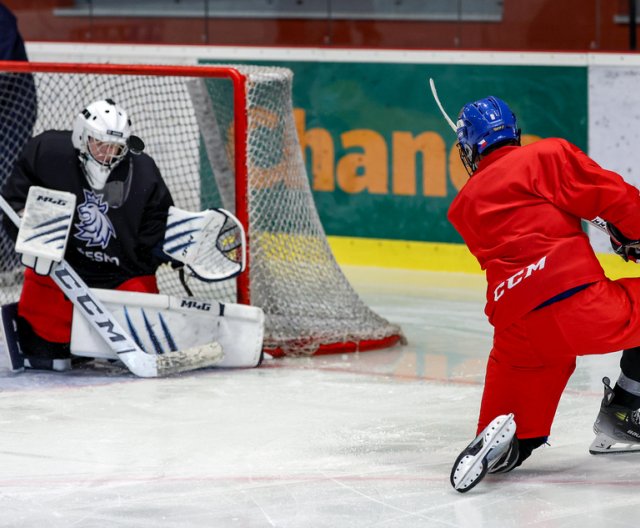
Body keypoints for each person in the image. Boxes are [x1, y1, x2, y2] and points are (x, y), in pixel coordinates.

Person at [446, 95, 640, 493]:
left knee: (521, 426)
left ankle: (510, 447)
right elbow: (611, 197)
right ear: (513, 132)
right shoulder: (545, 155)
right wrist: (633, 233)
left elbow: (526, 237)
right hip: (580, 305)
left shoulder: (463, 206)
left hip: (518, 329)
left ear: (469, 147)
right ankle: (625, 410)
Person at [1, 98, 174, 372]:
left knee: (146, 339)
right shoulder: (47, 154)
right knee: (43, 351)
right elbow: (14, 203)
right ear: (82, 137)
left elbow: (158, 225)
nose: (107, 154)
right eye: (100, 144)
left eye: (116, 147)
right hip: (61, 270)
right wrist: (26, 224)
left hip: (121, 275)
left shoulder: (142, 171)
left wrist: (173, 251)